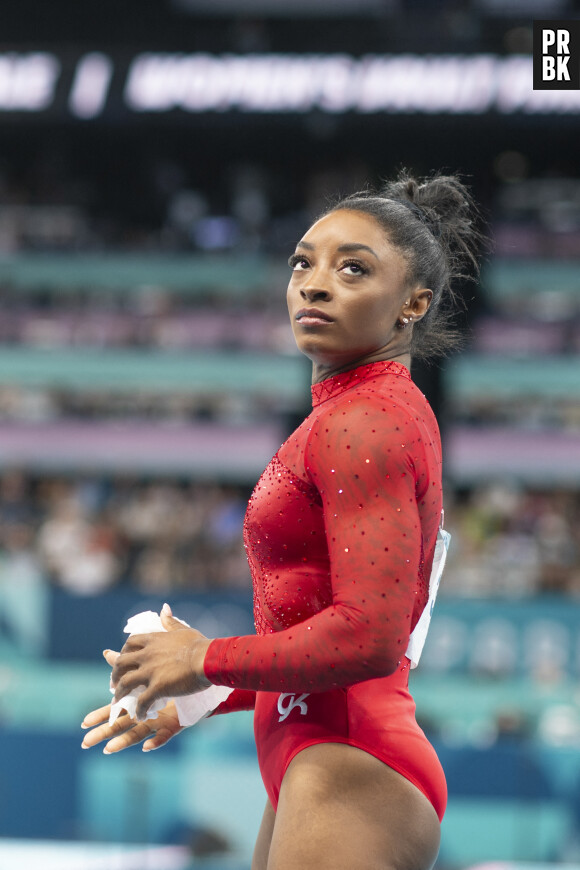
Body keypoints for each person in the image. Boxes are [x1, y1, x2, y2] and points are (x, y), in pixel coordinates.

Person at [82, 171, 481, 870]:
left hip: (352, 760)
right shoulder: (352, 414)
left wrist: (203, 658)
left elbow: (370, 637)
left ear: (412, 303)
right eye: (303, 263)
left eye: (353, 268)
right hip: (318, 751)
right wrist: (206, 695)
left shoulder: (368, 421)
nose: (315, 283)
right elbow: (323, 632)